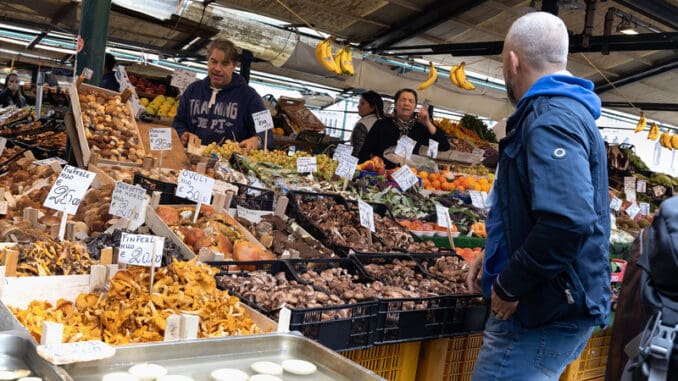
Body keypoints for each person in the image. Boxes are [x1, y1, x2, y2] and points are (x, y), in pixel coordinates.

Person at [466, 12, 610, 380]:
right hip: (555, 302)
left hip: (539, 311)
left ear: (513, 61)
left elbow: (568, 220)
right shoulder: (568, 112)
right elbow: (541, 205)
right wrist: (497, 250)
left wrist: (511, 281)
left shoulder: (550, 119)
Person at [173, 39, 268, 150]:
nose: (217, 68)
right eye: (213, 61)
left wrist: (257, 140)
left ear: (234, 65)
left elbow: (266, 132)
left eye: (225, 63)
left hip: (230, 163)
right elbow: (179, 122)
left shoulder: (251, 96)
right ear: (208, 61)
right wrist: (183, 133)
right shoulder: (192, 90)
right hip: (191, 158)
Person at [357, 88, 449, 168]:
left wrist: (428, 123)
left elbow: (444, 146)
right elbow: (365, 151)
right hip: (382, 174)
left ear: (415, 106)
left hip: (407, 176)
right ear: (396, 104)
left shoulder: (419, 128)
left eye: (411, 101)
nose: (406, 103)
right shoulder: (382, 124)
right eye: (403, 100)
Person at [350, 91, 384, 156]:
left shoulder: (362, 125)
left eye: (362, 103)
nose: (358, 106)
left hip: (363, 164)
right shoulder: (383, 123)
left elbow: (357, 152)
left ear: (372, 107)